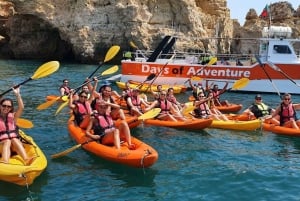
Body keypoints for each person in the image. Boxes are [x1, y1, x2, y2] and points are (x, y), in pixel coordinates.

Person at [0, 87, 34, 165]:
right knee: (7, 141)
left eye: (8, 106)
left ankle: (26, 159)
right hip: (1, 146)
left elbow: (21, 107)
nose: (6, 108)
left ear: (11, 108)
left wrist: (17, 94)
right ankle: (5, 161)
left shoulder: (13, 117)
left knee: (14, 139)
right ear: (0, 106)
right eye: (4, 105)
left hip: (14, 147)